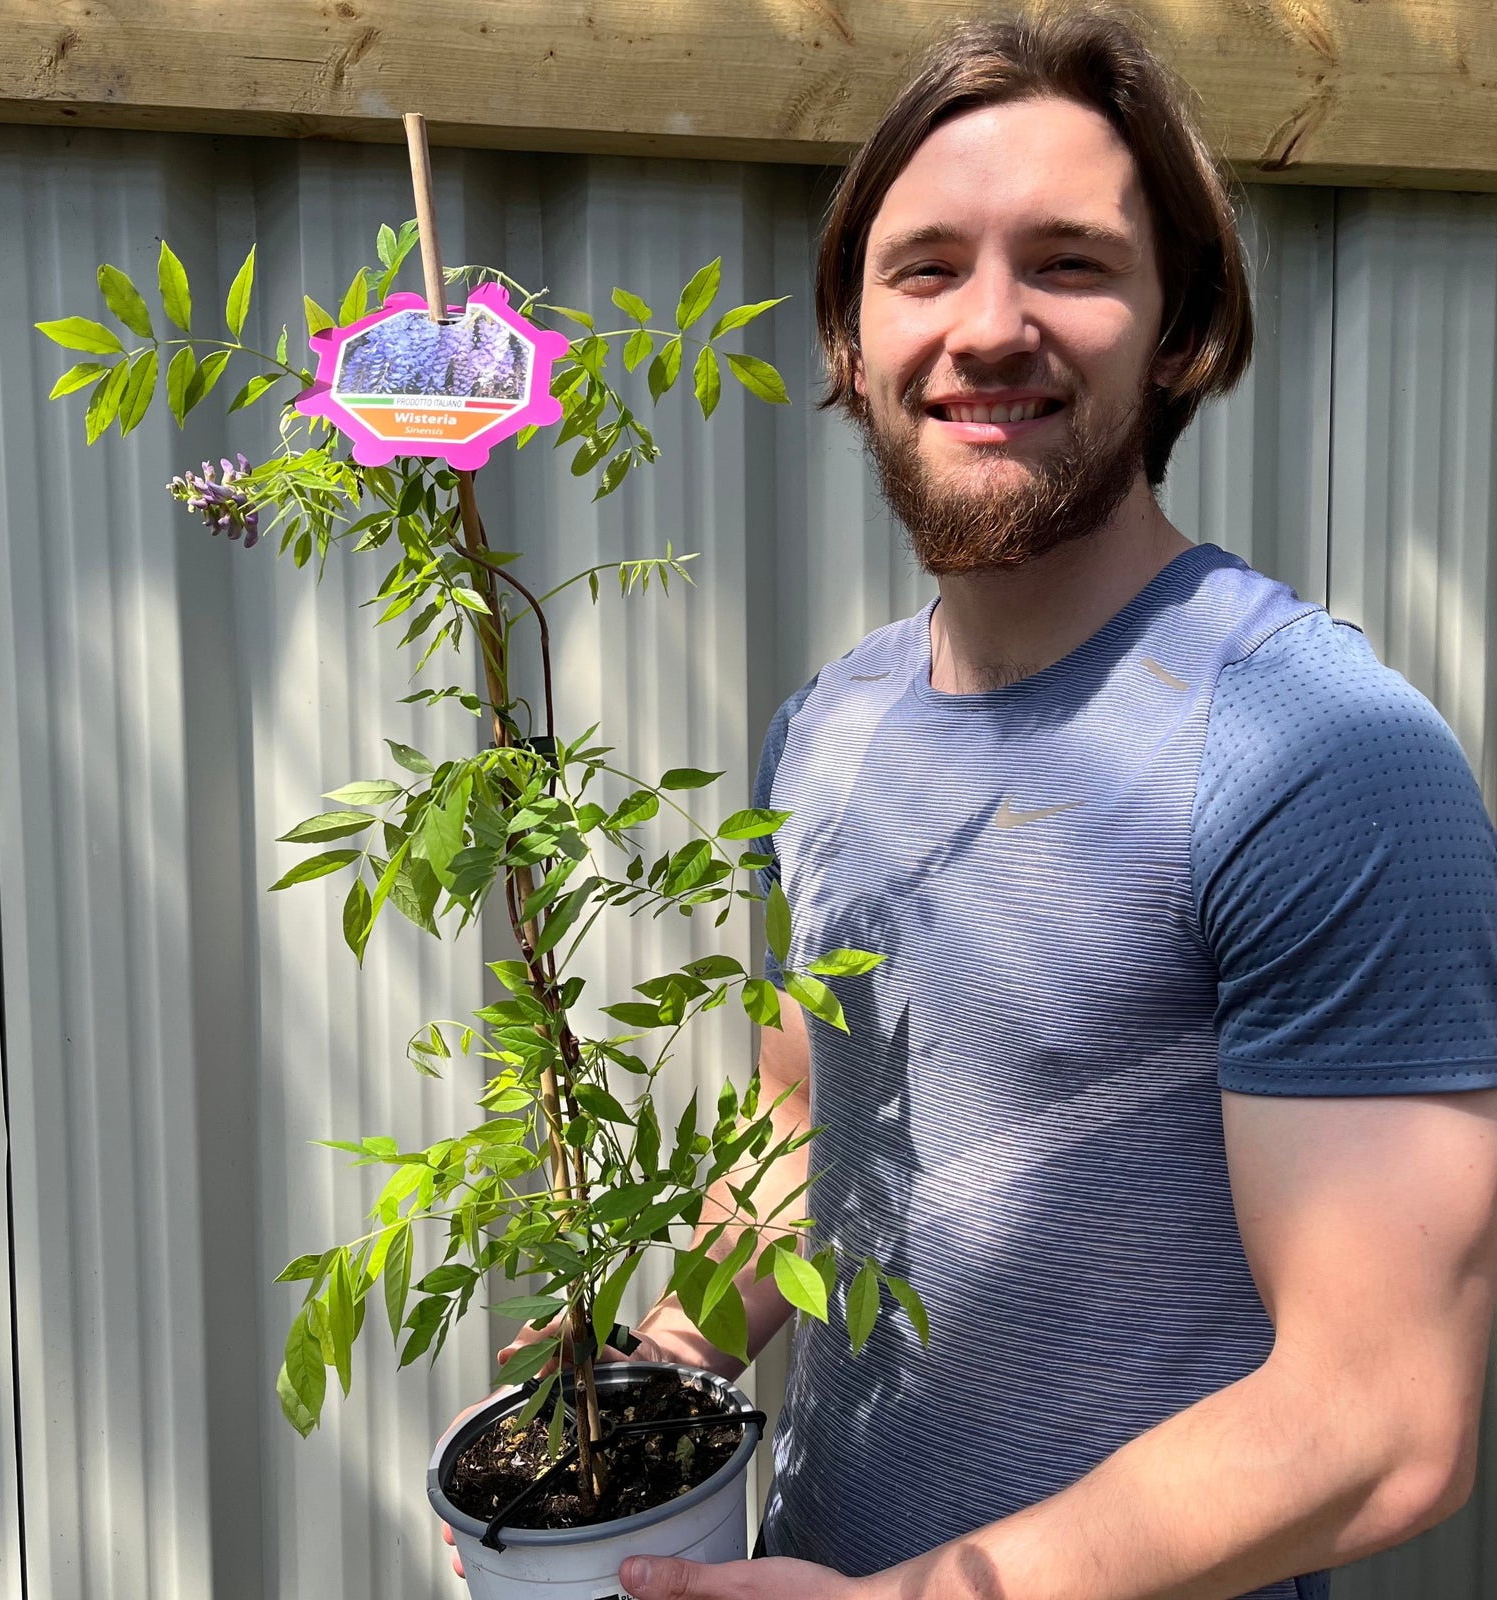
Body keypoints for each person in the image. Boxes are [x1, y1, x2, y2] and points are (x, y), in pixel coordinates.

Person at [445, 10, 1497, 1598]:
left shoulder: (1320, 754)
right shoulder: (832, 726)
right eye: (926, 267)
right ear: (852, 344)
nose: (989, 325)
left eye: (1069, 262)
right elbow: (815, 1121)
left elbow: (1382, 1420)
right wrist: (653, 1370)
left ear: (1182, 329)